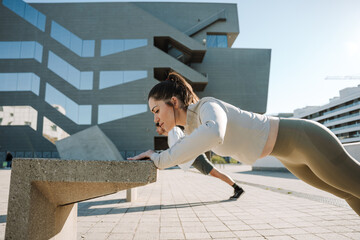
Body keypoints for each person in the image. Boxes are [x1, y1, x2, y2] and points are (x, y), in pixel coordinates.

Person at [128, 72, 360, 215]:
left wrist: (159, 159)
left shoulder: (207, 107)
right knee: (349, 194)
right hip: (289, 157)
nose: (156, 118)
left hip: (304, 139)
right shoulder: (192, 129)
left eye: (156, 110)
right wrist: (154, 155)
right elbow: (183, 153)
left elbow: (214, 133)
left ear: (174, 101)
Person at [155, 123, 244, 200]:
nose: (156, 130)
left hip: (195, 156)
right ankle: (237, 188)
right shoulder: (172, 132)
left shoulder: (173, 131)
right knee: (214, 172)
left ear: (162, 126)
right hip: (193, 157)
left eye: (157, 128)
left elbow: (177, 149)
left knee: (215, 172)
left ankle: (237, 188)